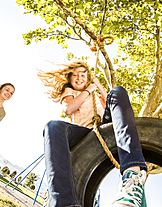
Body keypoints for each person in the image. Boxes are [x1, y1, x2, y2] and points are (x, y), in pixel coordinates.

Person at [38, 60, 147, 207]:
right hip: (84, 133)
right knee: (53, 126)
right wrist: (88, 90)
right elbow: (69, 108)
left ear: (88, 77)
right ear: (70, 78)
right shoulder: (71, 92)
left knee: (118, 92)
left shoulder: (94, 92)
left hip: (104, 127)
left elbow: (107, 103)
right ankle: (63, 203)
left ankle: (132, 177)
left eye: (83, 75)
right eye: (75, 75)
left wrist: (98, 86)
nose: (79, 77)